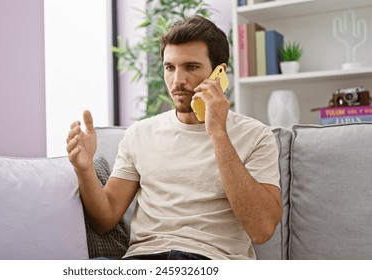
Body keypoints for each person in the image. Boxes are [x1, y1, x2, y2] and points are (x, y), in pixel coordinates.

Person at [66, 15, 282, 260]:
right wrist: (84, 169)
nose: (178, 81)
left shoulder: (256, 136)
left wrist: (218, 133)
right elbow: (105, 219)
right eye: (170, 67)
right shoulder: (139, 134)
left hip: (209, 260)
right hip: (142, 260)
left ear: (219, 74)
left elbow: (262, 229)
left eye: (191, 67)